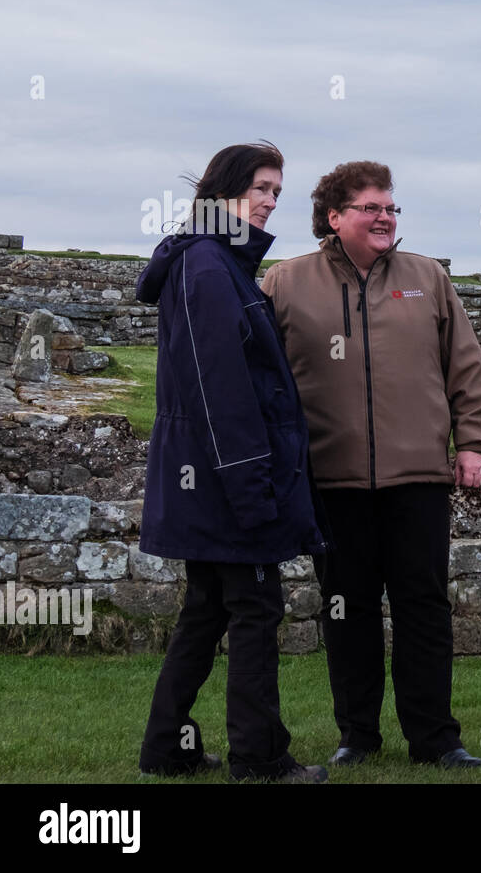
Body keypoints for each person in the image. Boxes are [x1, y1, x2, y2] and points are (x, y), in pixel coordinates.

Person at [260, 160, 481, 769]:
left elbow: (464, 365)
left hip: (418, 477)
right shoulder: (285, 282)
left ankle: (436, 740)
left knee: (424, 605)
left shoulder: (428, 279)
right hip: (330, 481)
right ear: (334, 218)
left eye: (391, 207)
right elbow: (256, 375)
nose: (385, 216)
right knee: (347, 609)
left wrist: (473, 445)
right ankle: (357, 737)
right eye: (370, 207)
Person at [136, 141, 330, 782]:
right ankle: (260, 756)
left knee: (207, 610)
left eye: (278, 191)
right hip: (225, 478)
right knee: (254, 608)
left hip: (211, 477)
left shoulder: (217, 263)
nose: (272, 202)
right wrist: (251, 491)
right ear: (223, 196)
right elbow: (221, 392)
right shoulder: (210, 269)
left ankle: (168, 748)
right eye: (261, 189)